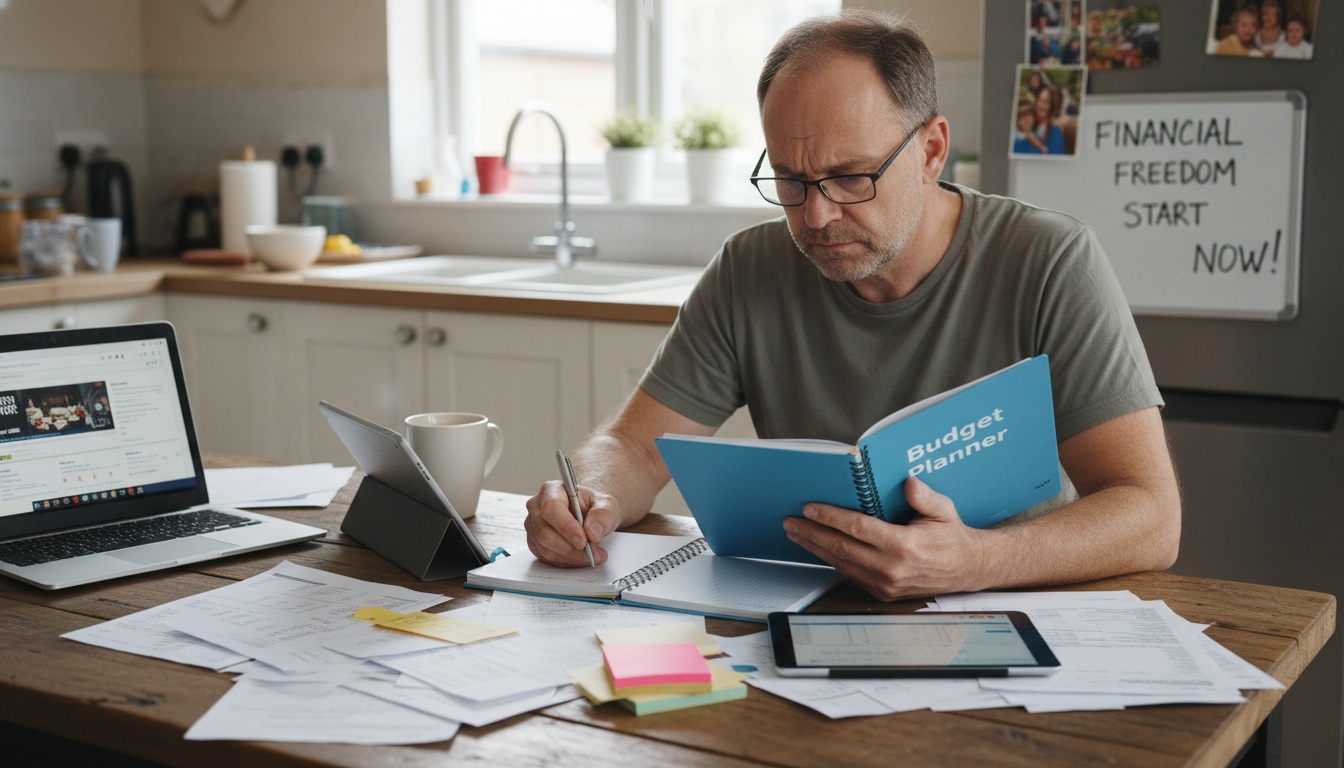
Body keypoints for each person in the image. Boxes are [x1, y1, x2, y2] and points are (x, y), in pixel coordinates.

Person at [524, 10, 1180, 602]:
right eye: (790, 179)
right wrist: (591, 495)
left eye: (850, 177)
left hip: (1010, 612)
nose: (816, 214)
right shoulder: (747, 270)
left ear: (930, 151)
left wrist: (975, 560)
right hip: (808, 612)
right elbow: (635, 448)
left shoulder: (1050, 261)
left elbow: (1150, 516)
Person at [1029, 85, 1067, 155]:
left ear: (1051, 107)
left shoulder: (1056, 132)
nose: (1040, 105)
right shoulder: (1027, 126)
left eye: (1045, 102)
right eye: (1039, 100)